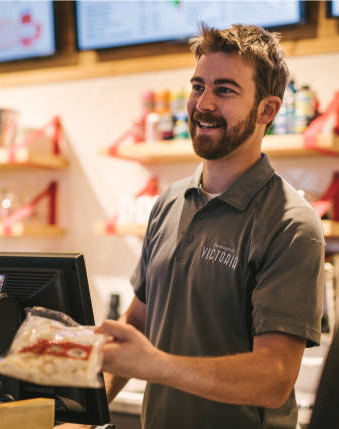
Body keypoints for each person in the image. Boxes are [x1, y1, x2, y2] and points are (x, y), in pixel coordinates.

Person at [96, 24, 324, 429]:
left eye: (224, 90)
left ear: (267, 111)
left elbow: (274, 378)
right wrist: (84, 413)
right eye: (198, 86)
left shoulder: (291, 224)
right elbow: (138, 327)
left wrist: (157, 364)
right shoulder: (168, 203)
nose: (202, 103)